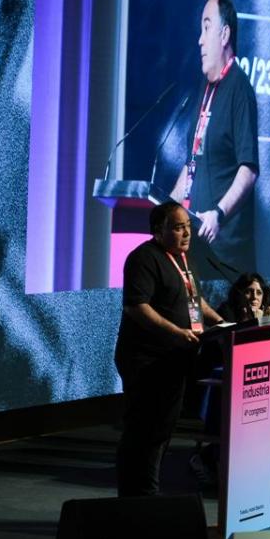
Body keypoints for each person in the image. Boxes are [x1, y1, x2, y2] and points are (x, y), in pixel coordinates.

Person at [114, 201, 223, 496]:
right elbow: (137, 307)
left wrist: (222, 322)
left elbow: (193, 301)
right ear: (157, 230)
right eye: (178, 227)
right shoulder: (144, 259)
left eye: (188, 226)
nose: (187, 233)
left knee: (162, 430)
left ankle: (148, 492)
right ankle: (135, 496)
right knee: (144, 431)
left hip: (174, 361)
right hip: (147, 361)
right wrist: (176, 332)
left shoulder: (184, 259)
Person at [171, 0, 259, 279]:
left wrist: (218, 214)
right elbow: (191, 164)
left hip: (224, 259)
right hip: (195, 247)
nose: (199, 39)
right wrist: (165, 212)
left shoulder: (239, 89)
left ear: (224, 34)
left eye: (206, 27)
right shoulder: (205, 90)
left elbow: (249, 170)